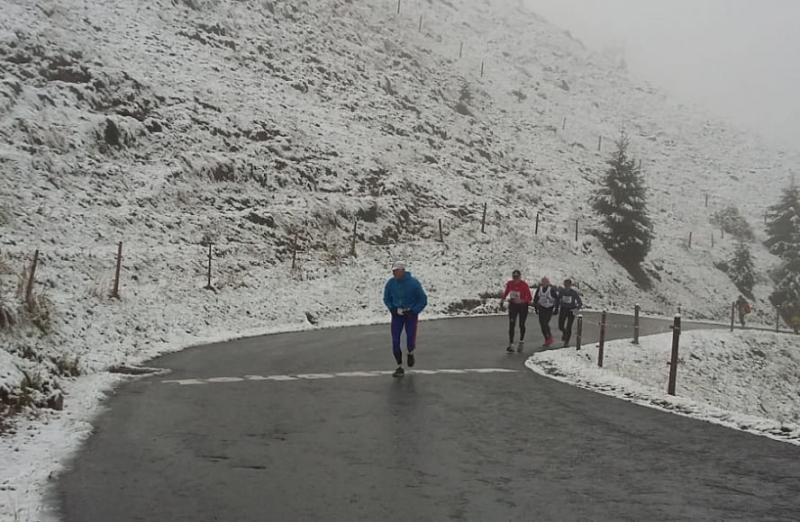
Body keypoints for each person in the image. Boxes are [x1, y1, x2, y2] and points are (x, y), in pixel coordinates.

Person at [383, 262, 428, 377]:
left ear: (403, 270)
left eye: (396, 271)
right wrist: (392, 308)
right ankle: (399, 366)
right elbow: (386, 298)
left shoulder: (413, 283)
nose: (394, 273)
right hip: (397, 315)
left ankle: (410, 352)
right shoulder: (391, 283)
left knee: (410, 337)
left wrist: (414, 311)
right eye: (393, 271)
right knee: (395, 340)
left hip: (410, 315)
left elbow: (423, 299)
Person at [499, 269, 533, 353]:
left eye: (517, 277)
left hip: (523, 306)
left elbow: (529, 297)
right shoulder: (510, 283)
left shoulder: (524, 285)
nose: (515, 279)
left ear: (520, 277)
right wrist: (502, 299)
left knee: (521, 324)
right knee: (511, 324)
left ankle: (521, 341)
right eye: (514, 277)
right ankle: (511, 344)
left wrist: (522, 301)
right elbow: (506, 291)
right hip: (513, 305)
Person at [533, 277, 559, 347]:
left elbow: (557, 299)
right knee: (542, 324)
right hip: (542, 307)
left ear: (548, 283)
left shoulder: (551, 289)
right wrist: (536, 308)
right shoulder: (539, 289)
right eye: (543, 282)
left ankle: (549, 337)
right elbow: (536, 298)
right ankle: (547, 339)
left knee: (545, 323)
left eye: (545, 282)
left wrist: (556, 309)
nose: (544, 283)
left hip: (549, 308)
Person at [557, 279, 583, 347]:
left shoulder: (573, 293)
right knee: (560, 326)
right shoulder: (562, 291)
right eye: (565, 285)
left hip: (571, 310)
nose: (566, 286)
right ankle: (564, 332)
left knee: (569, 327)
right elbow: (558, 299)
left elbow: (580, 303)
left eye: (568, 285)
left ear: (570, 285)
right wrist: (557, 306)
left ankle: (566, 342)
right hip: (563, 309)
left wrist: (576, 309)